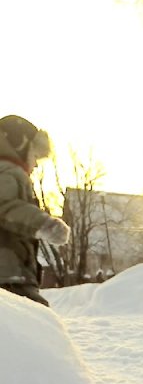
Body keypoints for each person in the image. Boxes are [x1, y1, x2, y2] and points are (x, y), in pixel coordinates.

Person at [0, 115, 70, 306]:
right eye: (35, 155)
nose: (36, 163)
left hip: (13, 274)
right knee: (38, 325)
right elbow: (4, 206)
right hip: (8, 276)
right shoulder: (8, 171)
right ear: (20, 144)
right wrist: (44, 223)